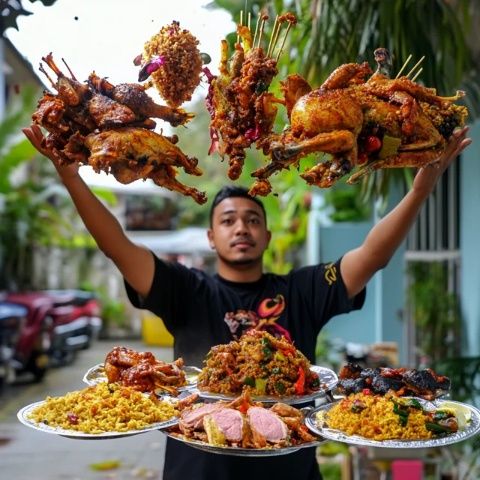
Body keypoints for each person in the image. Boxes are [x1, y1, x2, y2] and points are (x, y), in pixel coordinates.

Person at [23, 124, 471, 480]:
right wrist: (70, 177)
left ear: (267, 234)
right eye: (229, 220)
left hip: (287, 466)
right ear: (211, 236)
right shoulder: (187, 290)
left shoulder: (303, 290)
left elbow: (372, 257)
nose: (241, 228)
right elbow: (117, 247)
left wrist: (418, 193)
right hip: (197, 468)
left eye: (252, 219)